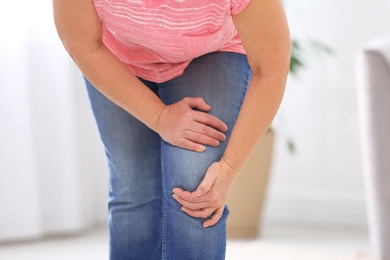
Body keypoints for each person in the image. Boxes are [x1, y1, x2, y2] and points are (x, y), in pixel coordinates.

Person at [53, 0, 290, 259]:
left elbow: (270, 68)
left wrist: (230, 167)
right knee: (134, 191)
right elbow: (81, 44)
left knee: (197, 187)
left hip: (212, 52)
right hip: (115, 56)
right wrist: (159, 117)